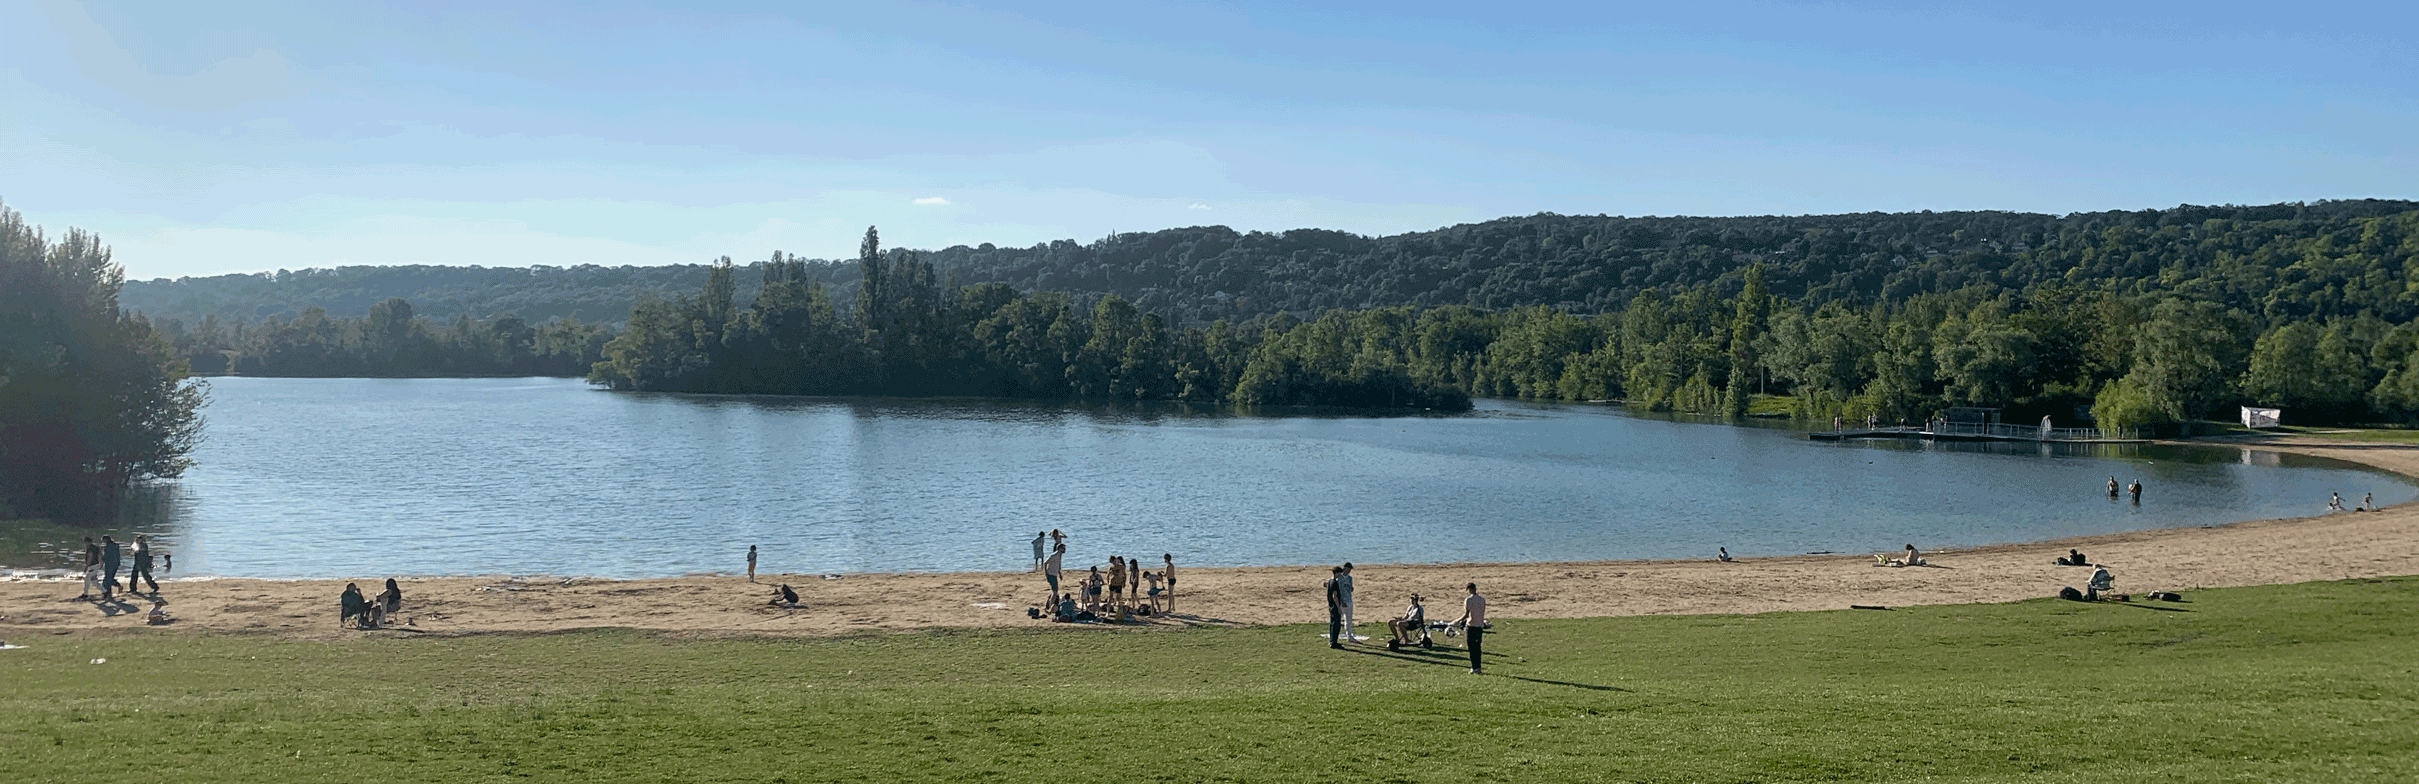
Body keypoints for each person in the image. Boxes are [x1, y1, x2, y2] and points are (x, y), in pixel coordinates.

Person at [1454, 582, 1488, 674]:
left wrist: (1457, 621)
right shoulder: (1482, 599)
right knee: (1478, 647)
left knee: (1472, 648)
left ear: (1470, 589)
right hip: (1479, 625)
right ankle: (1478, 667)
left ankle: (1474, 667)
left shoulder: (1468, 600)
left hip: (1471, 626)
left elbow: (1466, 614)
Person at [1324, 567, 1345, 649]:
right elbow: (1334, 596)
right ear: (1337, 573)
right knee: (1336, 624)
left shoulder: (1330, 581)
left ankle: (1332, 641)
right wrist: (1339, 607)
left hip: (1331, 606)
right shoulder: (1334, 583)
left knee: (1332, 624)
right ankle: (1334, 642)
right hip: (1335, 606)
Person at [1337, 562, 1358, 642]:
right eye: (1348, 569)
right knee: (1338, 619)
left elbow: (1350, 587)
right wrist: (1341, 601)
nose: (1349, 571)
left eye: (1350, 569)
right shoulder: (1339, 577)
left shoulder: (1349, 578)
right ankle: (1335, 634)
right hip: (1341, 601)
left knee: (1348, 619)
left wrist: (1351, 589)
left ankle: (1349, 635)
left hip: (1349, 599)